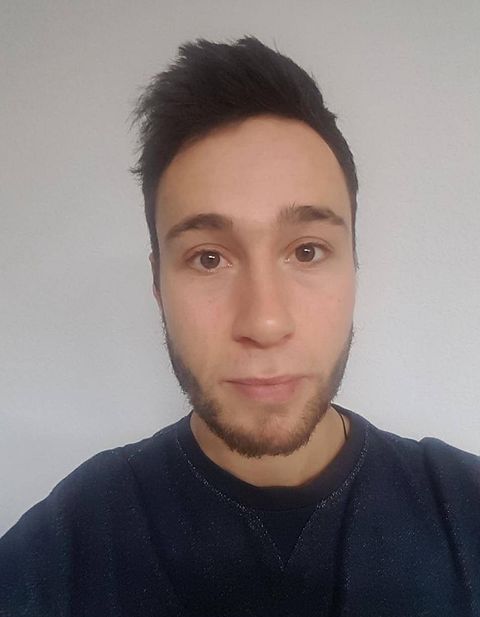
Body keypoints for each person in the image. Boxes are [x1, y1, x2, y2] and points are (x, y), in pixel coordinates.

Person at [1, 35, 479, 617]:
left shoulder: (465, 509)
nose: (265, 322)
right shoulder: (63, 550)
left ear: (354, 265)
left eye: (307, 251)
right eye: (208, 258)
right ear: (158, 285)